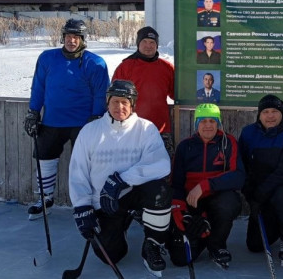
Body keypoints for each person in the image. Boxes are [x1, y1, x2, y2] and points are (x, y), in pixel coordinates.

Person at [68, 80, 172, 277]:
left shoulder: (146, 128)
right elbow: (77, 172)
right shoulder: (90, 131)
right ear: (107, 102)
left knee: (160, 191)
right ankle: (121, 226)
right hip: (105, 203)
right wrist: (82, 207)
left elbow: (161, 164)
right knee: (111, 255)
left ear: (133, 104)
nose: (119, 107)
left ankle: (152, 245)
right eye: (115, 101)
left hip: (134, 195)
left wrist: (121, 180)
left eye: (125, 102)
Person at [23, 18, 110, 220]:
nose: (72, 41)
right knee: (44, 158)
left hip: (83, 124)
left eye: (76, 37)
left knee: (86, 163)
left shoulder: (95, 63)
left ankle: (90, 202)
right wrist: (33, 112)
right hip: (52, 120)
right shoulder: (47, 58)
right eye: (69, 36)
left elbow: (101, 93)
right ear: (63, 37)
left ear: (83, 39)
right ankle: (45, 199)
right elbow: (38, 87)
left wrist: (96, 117)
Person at [168, 103, 245, 269]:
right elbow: (176, 183)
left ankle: (217, 245)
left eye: (212, 120)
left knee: (228, 202)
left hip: (216, 199)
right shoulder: (185, 146)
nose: (208, 125)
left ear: (218, 123)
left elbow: (238, 176)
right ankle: (202, 235)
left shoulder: (228, 142)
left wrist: (205, 185)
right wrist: (179, 211)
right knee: (180, 258)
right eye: (203, 121)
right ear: (196, 124)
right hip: (192, 204)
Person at [239, 95, 283, 263]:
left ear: (282, 113)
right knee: (254, 245)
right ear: (259, 115)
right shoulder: (248, 133)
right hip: (260, 193)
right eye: (266, 112)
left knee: (282, 195)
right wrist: (250, 193)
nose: (270, 116)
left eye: (274, 111)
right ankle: (275, 223)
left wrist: (260, 193)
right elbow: (242, 165)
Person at [112, 26, 176, 157]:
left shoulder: (167, 67)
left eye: (152, 42)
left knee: (164, 168)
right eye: (144, 42)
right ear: (138, 44)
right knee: (131, 168)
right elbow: (113, 98)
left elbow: (177, 94)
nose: (148, 46)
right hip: (131, 129)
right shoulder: (125, 67)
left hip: (161, 129)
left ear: (157, 45)